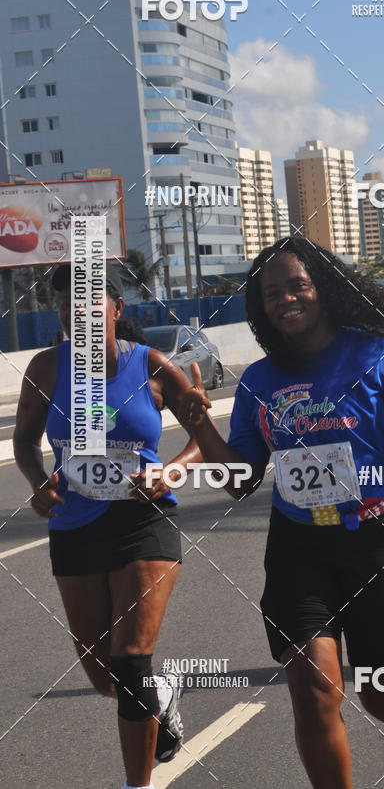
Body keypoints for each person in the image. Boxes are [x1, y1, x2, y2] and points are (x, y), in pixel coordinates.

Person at [178, 237, 384, 789]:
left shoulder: (378, 353)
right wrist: (200, 429)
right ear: (260, 308)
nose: (286, 298)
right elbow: (241, 483)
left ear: (323, 288)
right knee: (313, 691)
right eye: (272, 293)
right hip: (299, 545)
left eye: (297, 285)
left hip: (377, 539)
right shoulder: (260, 381)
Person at [13, 263, 202, 789]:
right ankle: (160, 696)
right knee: (104, 678)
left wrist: (172, 469)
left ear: (116, 309)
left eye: (91, 301)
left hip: (144, 519)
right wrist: (37, 481)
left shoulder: (153, 366)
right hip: (75, 526)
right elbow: (25, 439)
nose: (79, 312)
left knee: (132, 660)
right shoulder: (47, 368)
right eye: (68, 305)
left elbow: (201, 434)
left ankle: (136, 784)